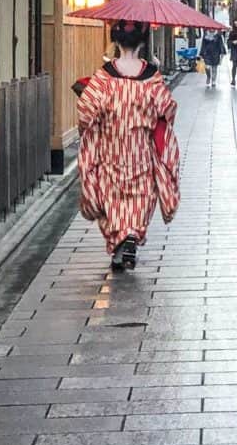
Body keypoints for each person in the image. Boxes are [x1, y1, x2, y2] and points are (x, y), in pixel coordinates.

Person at [77, 20, 180, 271]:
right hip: (141, 148)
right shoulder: (150, 76)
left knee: (112, 197)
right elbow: (167, 108)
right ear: (143, 42)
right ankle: (132, 234)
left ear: (116, 40)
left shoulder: (105, 75)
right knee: (141, 196)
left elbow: (86, 111)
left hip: (110, 146)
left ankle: (119, 242)